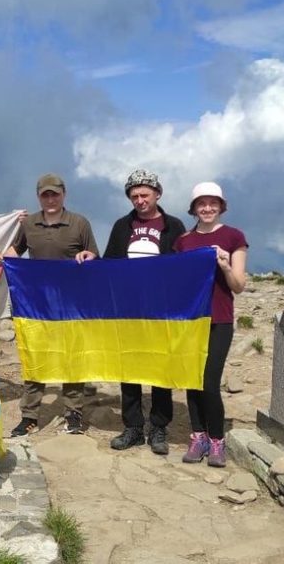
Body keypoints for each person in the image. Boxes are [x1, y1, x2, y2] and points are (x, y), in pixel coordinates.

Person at [76, 169, 186, 455]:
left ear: (157, 194)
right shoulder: (122, 226)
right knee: (130, 368)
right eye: (134, 195)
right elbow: (111, 264)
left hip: (161, 311)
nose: (140, 200)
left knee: (161, 368)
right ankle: (133, 427)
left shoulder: (174, 226)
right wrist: (93, 259)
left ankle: (159, 427)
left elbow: (185, 266)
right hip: (128, 309)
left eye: (145, 195)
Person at [0, 173, 100, 436]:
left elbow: (94, 256)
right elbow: (15, 253)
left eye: (55, 193)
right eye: (46, 194)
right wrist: (1, 260)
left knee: (72, 358)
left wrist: (87, 256)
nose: (51, 198)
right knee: (35, 358)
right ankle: (30, 416)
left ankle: (74, 414)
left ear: (63, 194)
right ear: (39, 197)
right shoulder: (29, 224)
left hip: (72, 306)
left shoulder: (80, 223)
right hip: (37, 305)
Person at [174, 181, 247, 468]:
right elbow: (177, 282)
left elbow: (239, 286)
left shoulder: (233, 237)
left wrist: (225, 265)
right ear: (194, 208)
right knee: (192, 379)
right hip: (192, 320)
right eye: (201, 204)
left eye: (212, 203)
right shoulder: (183, 242)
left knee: (209, 381)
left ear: (221, 206)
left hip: (220, 318)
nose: (207, 208)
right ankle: (198, 436)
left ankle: (217, 440)